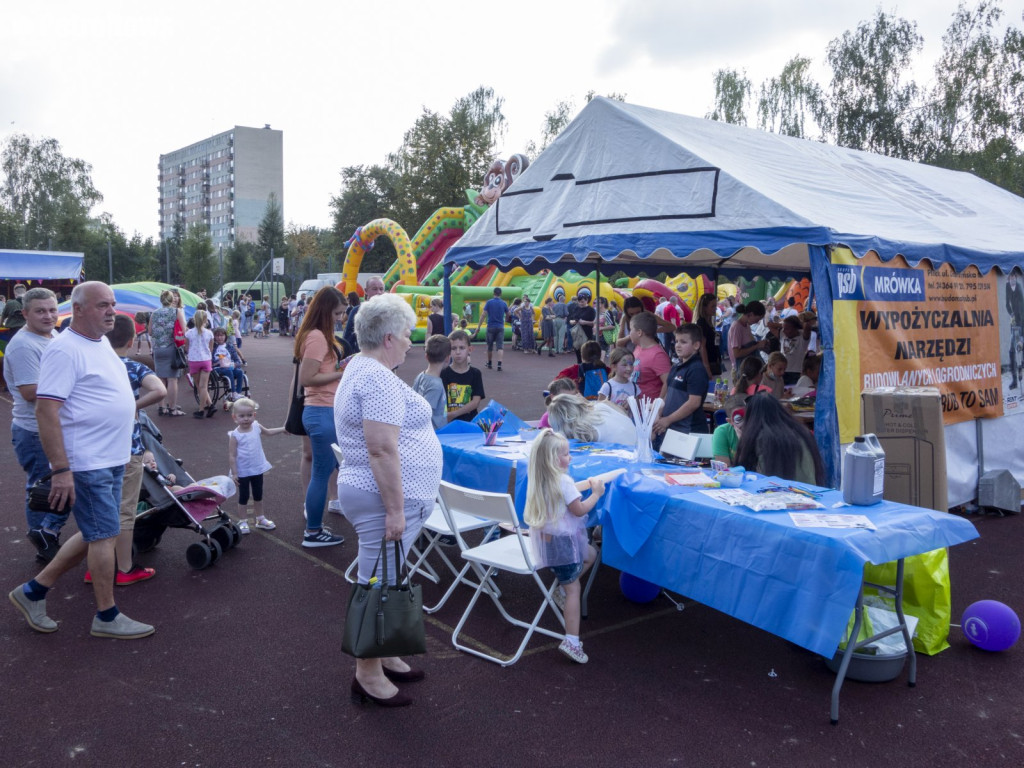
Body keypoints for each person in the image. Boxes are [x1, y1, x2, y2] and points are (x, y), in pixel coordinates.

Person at [8, 281, 154, 639]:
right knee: (104, 535)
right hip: (87, 460)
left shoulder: (99, 341)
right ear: (77, 309)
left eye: (113, 304)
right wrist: (60, 469)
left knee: (98, 532)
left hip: (111, 456)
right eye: (102, 305)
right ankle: (106, 616)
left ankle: (33, 591)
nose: (111, 311)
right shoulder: (64, 350)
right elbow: (45, 409)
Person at [336, 292, 442, 707]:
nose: (410, 342)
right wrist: (396, 509)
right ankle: (366, 672)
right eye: (405, 335)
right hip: (383, 500)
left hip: (378, 494)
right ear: (387, 339)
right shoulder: (376, 377)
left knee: (387, 579)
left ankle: (384, 654)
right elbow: (381, 448)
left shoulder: (362, 368)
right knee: (377, 583)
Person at [523, 428, 606, 664]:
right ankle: (572, 640)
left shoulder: (539, 478)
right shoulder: (564, 481)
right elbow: (579, 509)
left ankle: (560, 588)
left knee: (591, 553)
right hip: (564, 544)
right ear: (553, 459)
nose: (570, 458)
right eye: (566, 454)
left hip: (546, 542)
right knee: (574, 590)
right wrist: (597, 493)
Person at [97, 314, 165, 585]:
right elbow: (159, 390)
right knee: (124, 510)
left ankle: (97, 565)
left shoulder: (94, 365)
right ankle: (124, 568)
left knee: (99, 509)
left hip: (95, 448)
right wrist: (133, 407)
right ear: (131, 339)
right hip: (126, 447)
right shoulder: (132, 367)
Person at [3, 287, 68, 561]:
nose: (48, 315)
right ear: (25, 313)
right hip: (34, 430)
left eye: (52, 310)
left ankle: (47, 534)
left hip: (51, 426)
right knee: (43, 487)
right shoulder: (23, 345)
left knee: (57, 485)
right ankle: (42, 536)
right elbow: (31, 392)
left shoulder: (51, 334)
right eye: (40, 311)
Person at [295, 287, 348, 548]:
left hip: (324, 411)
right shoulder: (317, 337)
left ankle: (314, 529)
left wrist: (339, 367)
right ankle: (313, 532)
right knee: (322, 473)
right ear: (326, 310)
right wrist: (340, 373)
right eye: (337, 313)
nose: (340, 318)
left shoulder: (317, 335)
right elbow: (307, 378)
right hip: (321, 411)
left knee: (330, 469)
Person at [734, 393, 826, 486]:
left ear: (751, 416)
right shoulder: (802, 432)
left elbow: (753, 476)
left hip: (781, 493)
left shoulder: (762, 438)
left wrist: (744, 440)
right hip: (810, 491)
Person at [228, 397, 284, 534]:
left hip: (257, 468)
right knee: (244, 496)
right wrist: (235, 473)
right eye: (242, 416)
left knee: (258, 494)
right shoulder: (235, 435)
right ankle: (243, 521)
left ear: (254, 415)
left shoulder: (257, 427)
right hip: (242, 471)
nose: (246, 419)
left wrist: (283, 429)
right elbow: (232, 455)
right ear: (235, 417)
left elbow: (269, 432)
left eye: (249, 415)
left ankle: (260, 518)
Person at [653, 324, 710, 441]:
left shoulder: (696, 369)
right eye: (676, 341)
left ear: (696, 345)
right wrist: (658, 413)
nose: (678, 345)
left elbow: (694, 402)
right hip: (672, 429)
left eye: (683, 342)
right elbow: (668, 395)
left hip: (688, 431)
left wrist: (668, 419)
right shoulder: (676, 367)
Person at [149, 289, 187, 417]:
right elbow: (183, 329)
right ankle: (172, 408)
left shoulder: (154, 313)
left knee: (160, 379)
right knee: (172, 379)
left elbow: (150, 332)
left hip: (158, 349)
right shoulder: (177, 311)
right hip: (172, 348)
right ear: (171, 300)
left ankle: (162, 407)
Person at [547, 393, 637, 446]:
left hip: (629, 463)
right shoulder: (604, 404)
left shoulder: (583, 428)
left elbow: (561, 442)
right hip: (641, 451)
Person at [441, 329, 484, 422]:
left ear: (470, 349)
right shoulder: (443, 374)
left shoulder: (475, 374)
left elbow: (476, 402)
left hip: (470, 422)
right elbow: (440, 401)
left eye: (462, 348)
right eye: (453, 348)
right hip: (449, 424)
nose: (458, 352)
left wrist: (454, 414)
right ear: (448, 351)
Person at [628, 311, 672, 400]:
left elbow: (668, 383)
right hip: (635, 408)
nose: (630, 333)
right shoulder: (638, 347)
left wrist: (657, 406)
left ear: (639, 332)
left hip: (648, 410)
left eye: (631, 329)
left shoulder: (657, 355)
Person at [413, 333, 452, 430]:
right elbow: (424, 413)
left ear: (426, 356)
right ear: (447, 358)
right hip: (433, 433)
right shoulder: (436, 386)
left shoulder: (421, 376)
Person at [185, 308, 216, 419]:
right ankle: (210, 405)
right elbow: (211, 348)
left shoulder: (188, 333)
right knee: (204, 386)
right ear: (205, 320)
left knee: (198, 386)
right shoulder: (209, 333)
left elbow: (187, 348)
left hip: (194, 360)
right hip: (206, 359)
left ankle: (201, 409)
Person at [343, 276, 386, 352]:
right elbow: (348, 337)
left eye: (381, 289)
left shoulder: (390, 311)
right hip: (364, 356)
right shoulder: (356, 311)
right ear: (366, 290)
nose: (378, 292)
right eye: (374, 289)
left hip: (386, 358)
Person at [728, 302, 769, 376]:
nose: (757, 322)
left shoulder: (746, 326)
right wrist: (756, 346)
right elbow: (737, 354)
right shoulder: (737, 327)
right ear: (751, 314)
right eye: (757, 319)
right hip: (741, 369)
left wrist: (760, 345)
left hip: (749, 369)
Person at [475, 287, 509, 371]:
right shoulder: (504, 303)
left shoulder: (489, 302)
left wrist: (478, 326)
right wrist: (506, 320)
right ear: (501, 294)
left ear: (493, 293)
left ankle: (489, 363)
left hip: (490, 326)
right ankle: (499, 364)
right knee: (500, 346)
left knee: (489, 346)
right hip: (500, 326)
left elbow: (483, 314)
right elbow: (508, 313)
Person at [711, 394, 747, 467]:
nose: (746, 422)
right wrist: (742, 442)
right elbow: (725, 469)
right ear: (730, 421)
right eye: (739, 419)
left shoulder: (761, 432)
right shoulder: (722, 432)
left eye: (749, 416)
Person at [212, 327, 246, 401]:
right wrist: (216, 363)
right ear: (214, 337)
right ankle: (233, 393)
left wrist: (235, 364)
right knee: (228, 371)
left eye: (221, 335)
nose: (219, 337)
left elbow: (238, 361)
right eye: (217, 336)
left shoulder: (230, 347)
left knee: (240, 372)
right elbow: (210, 361)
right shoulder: (212, 347)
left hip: (229, 366)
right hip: (217, 368)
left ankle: (237, 392)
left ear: (225, 336)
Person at [779, 314, 813, 386]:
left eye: (787, 328)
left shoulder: (802, 338)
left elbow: (807, 326)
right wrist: (784, 325)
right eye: (783, 328)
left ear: (795, 328)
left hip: (796, 371)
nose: (784, 331)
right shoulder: (783, 335)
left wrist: (799, 324)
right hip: (782, 370)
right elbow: (769, 324)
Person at [694, 293, 722, 379]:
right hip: (709, 364)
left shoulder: (708, 322)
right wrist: (707, 369)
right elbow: (702, 347)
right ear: (704, 307)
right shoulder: (701, 323)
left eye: (715, 306)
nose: (715, 309)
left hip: (713, 361)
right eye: (713, 306)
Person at [1006, 270, 1024, 389]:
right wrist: (1011, 314)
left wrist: (1021, 331)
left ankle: (1020, 375)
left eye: (1014, 276)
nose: (1012, 278)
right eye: (1010, 276)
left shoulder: (1019, 289)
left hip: (1021, 323)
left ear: (1016, 277)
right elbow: (1007, 304)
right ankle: (1015, 380)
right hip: (1014, 323)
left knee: (1019, 350)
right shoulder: (1007, 286)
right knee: (1012, 351)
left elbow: (1022, 311)